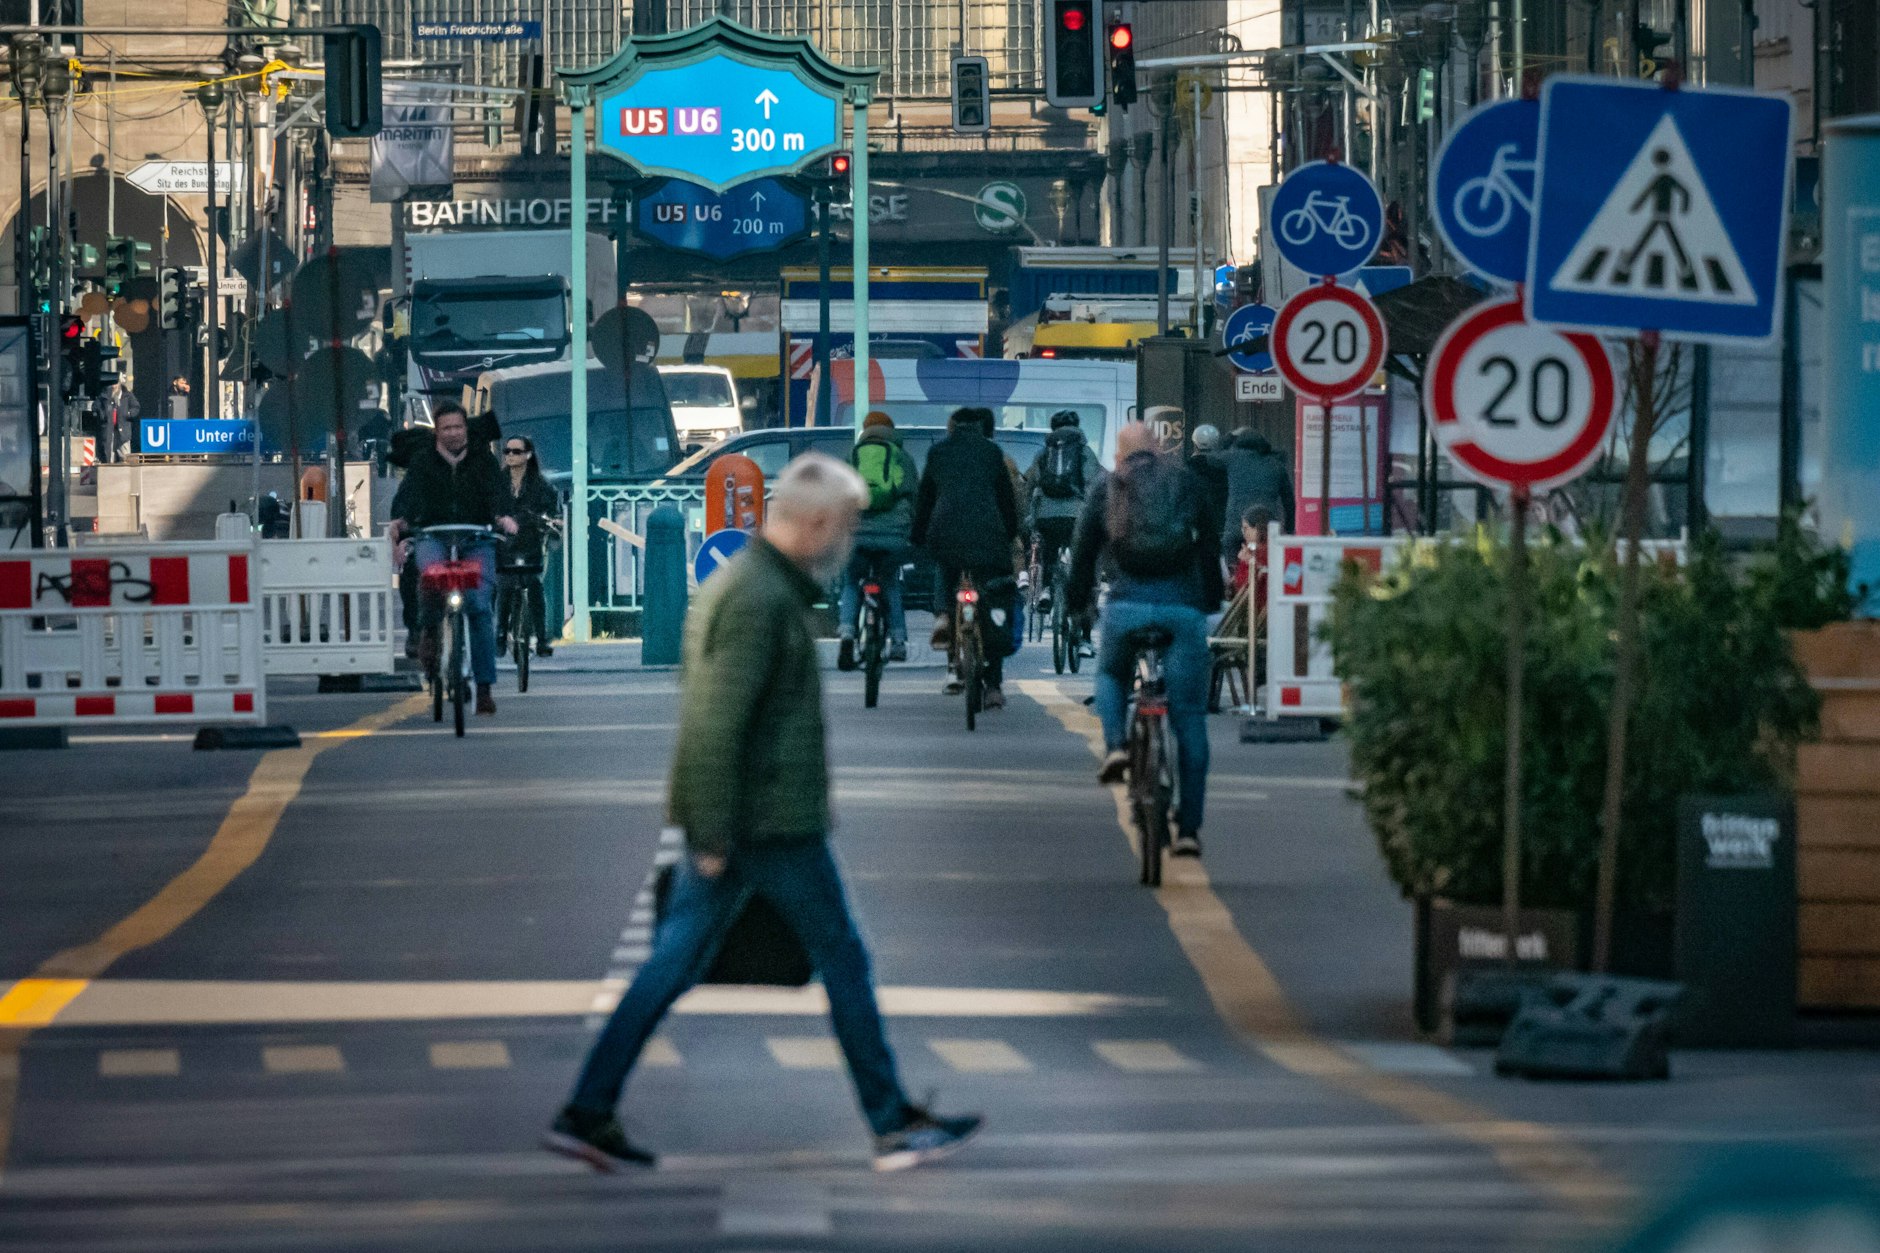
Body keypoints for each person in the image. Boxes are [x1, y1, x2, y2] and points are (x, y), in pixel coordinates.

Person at [544, 453, 982, 1173]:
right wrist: (711, 829)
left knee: (674, 963)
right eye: (842, 525)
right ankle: (890, 1120)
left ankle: (588, 1108)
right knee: (841, 956)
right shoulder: (757, 598)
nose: (847, 541)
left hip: (752, 816)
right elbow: (717, 719)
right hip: (766, 819)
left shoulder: (760, 585)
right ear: (811, 522)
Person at [1066, 421, 1223, 858]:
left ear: (1120, 453)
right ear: (1157, 447)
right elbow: (1208, 548)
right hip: (1182, 610)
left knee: (1112, 675)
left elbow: (1082, 552)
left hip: (1126, 607)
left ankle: (1116, 746)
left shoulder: (1108, 487)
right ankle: (1189, 829)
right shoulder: (1185, 483)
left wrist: (1078, 604)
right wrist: (1208, 602)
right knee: (1190, 717)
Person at [389, 401, 517, 715]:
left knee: (478, 605)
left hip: (476, 537)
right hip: (433, 534)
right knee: (431, 579)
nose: (453, 433)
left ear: (466, 429)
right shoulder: (422, 462)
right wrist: (400, 524)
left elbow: (499, 494)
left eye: (458, 427)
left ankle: (484, 688)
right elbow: (407, 498)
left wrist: (504, 518)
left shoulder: (483, 461)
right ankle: (429, 632)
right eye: (446, 428)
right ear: (437, 431)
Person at [911, 406, 1019, 708]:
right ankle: (994, 686)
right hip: (988, 536)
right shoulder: (992, 453)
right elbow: (1007, 503)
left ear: (953, 426)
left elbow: (925, 500)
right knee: (994, 599)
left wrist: (919, 538)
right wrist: (1008, 535)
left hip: (945, 532)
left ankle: (944, 614)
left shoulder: (938, 453)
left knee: (946, 570)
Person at [839, 411, 919, 669]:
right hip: (893, 534)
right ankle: (897, 642)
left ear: (865, 429)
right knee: (890, 583)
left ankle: (847, 636)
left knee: (852, 581)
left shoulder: (853, 455)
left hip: (857, 534)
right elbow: (913, 495)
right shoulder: (900, 456)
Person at [1023, 410, 1104, 608]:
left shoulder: (1044, 452)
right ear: (1077, 427)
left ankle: (1046, 591)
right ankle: (1080, 601)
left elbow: (1031, 482)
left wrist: (1028, 514)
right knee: (1080, 555)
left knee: (1049, 548)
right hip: (1076, 515)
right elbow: (1093, 481)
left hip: (1046, 515)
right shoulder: (1084, 451)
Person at [495, 434, 562, 659]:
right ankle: (500, 636)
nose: (511, 456)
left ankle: (542, 639)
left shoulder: (541, 485)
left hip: (530, 542)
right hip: (504, 545)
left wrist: (552, 522)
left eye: (516, 451)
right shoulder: (497, 482)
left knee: (534, 585)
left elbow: (552, 511)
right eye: (507, 451)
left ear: (528, 455)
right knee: (504, 586)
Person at [1205, 428, 1296, 557]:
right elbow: (1289, 501)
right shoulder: (1276, 464)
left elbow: (1211, 458)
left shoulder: (1233, 457)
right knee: (1265, 567)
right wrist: (1290, 528)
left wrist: (1229, 437)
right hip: (1265, 529)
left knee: (1234, 569)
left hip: (1236, 526)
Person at [1188, 424, 1229, 561]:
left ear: (1194, 444)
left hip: (1197, 527)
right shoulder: (1225, 468)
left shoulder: (1187, 469)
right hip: (1222, 524)